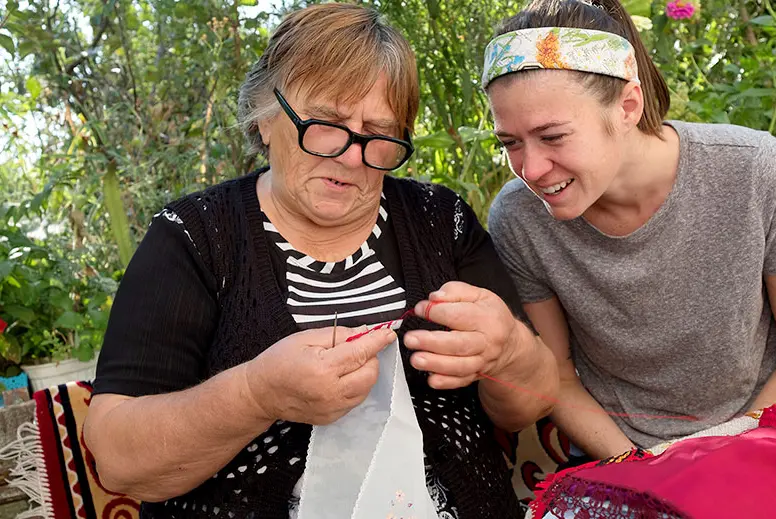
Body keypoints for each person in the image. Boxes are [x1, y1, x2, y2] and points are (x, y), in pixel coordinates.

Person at [83, 4, 558, 518]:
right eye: (327, 124)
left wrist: (509, 352)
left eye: (378, 134)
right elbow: (116, 460)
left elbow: (528, 402)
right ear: (265, 117)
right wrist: (255, 395)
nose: (352, 156)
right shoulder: (196, 239)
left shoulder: (441, 222)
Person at [483, 0, 776, 460]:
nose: (530, 169)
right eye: (510, 142)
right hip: (624, 451)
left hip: (768, 427)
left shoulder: (755, 172)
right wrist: (641, 470)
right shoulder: (518, 218)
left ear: (628, 106)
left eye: (553, 136)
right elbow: (559, 375)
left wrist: (729, 459)